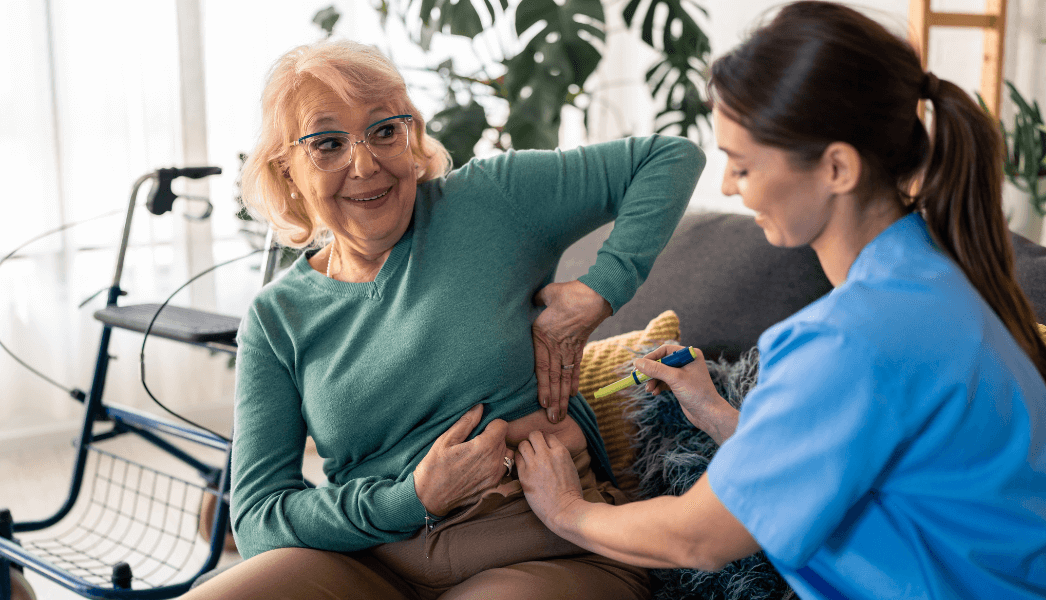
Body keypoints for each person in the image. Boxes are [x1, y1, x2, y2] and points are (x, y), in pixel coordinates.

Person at [514, 2, 1046, 598]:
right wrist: (716, 414)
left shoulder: (852, 337)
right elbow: (844, 460)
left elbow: (697, 539)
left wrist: (566, 511)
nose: (728, 186)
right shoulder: (940, 281)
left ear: (836, 167)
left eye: (742, 165)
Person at [180, 38, 705, 600]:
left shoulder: (488, 201)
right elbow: (258, 520)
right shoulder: (276, 318)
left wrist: (599, 291)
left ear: (412, 135)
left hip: (543, 544)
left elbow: (668, 158)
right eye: (328, 144)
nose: (365, 164)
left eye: (385, 130)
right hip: (370, 562)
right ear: (287, 169)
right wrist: (411, 500)